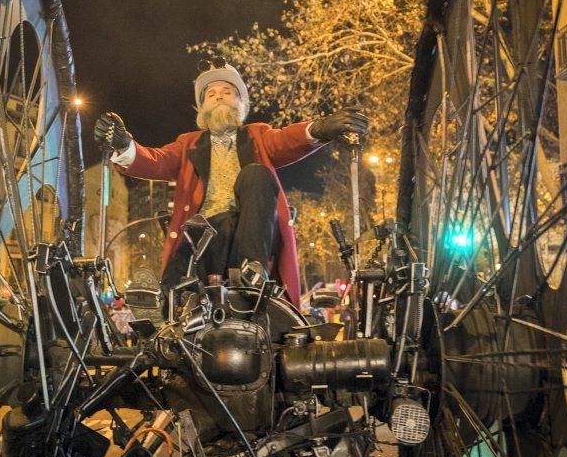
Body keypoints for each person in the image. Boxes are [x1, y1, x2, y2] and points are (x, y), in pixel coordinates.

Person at [94, 63, 366, 307]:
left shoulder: (257, 135)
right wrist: (124, 145)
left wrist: (318, 128)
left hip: (252, 233)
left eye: (227, 91)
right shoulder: (188, 143)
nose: (219, 96)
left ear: (240, 102)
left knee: (256, 174)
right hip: (206, 236)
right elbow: (158, 161)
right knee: (182, 267)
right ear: (203, 108)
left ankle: (252, 271)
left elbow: (286, 140)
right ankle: (169, 312)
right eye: (211, 94)